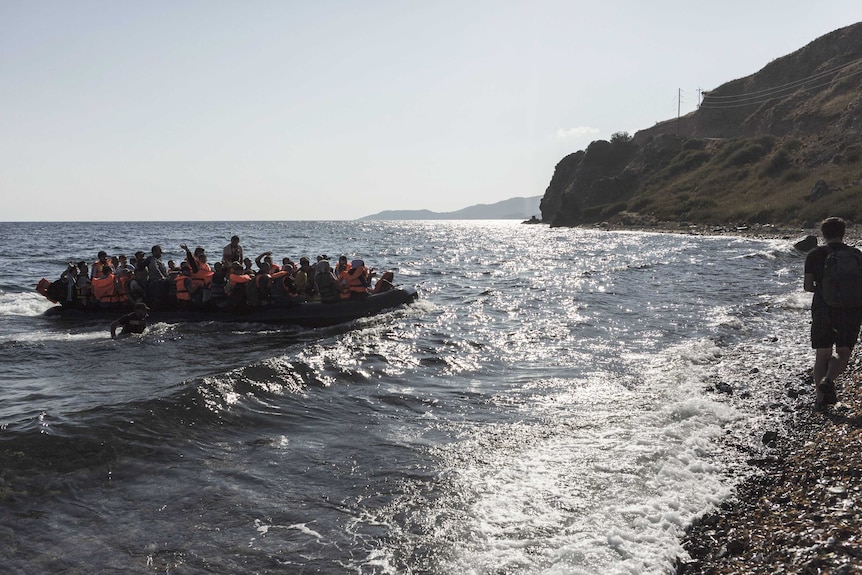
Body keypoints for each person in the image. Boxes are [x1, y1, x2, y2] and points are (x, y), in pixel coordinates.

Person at [803, 216, 862, 410]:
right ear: (843, 233)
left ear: (823, 234)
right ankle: (829, 379)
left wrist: (824, 289)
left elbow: (808, 286)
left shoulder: (814, 255)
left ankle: (821, 399)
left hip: (823, 308)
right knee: (843, 352)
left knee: (822, 354)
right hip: (851, 309)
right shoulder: (856, 254)